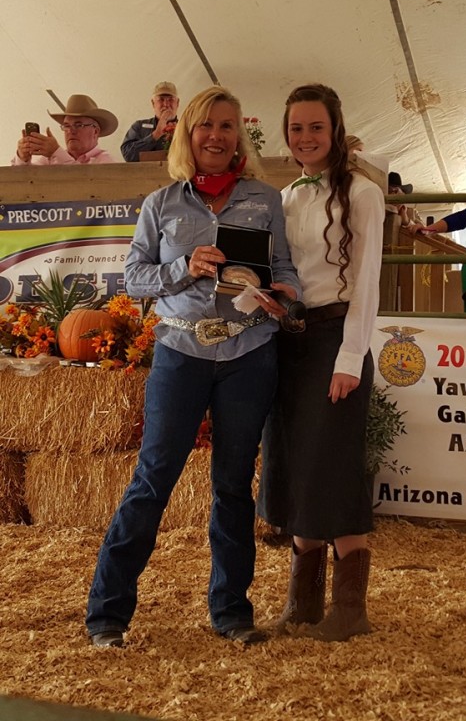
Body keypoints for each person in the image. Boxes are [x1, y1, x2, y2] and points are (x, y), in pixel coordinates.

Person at [86, 85, 301, 648]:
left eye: (227, 126)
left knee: (233, 485)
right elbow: (133, 279)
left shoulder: (265, 199)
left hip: (248, 354)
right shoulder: (161, 204)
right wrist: (184, 265)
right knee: (152, 479)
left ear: (239, 138)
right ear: (188, 134)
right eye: (206, 125)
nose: (216, 136)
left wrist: (285, 296)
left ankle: (231, 612)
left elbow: (286, 269)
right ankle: (107, 614)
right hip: (180, 354)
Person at [257, 83, 385, 642]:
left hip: (336, 340)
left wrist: (350, 356)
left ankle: (350, 611)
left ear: (334, 129)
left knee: (331, 466)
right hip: (290, 339)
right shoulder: (286, 197)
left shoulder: (362, 193)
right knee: (294, 466)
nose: (305, 137)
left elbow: (368, 284)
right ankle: (304, 607)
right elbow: (286, 275)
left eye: (315, 126)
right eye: (296, 128)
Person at [12, 95, 118, 165]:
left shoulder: (106, 162)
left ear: (95, 131)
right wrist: (22, 158)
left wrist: (56, 152)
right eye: (66, 126)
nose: (71, 131)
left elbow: (84, 183)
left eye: (78, 125)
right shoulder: (50, 159)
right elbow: (24, 183)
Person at [120, 81, 180, 162]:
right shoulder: (139, 127)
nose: (166, 104)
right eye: (161, 99)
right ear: (153, 103)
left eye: (170, 100)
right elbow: (128, 155)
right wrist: (156, 134)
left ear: (177, 103)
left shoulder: (186, 127)